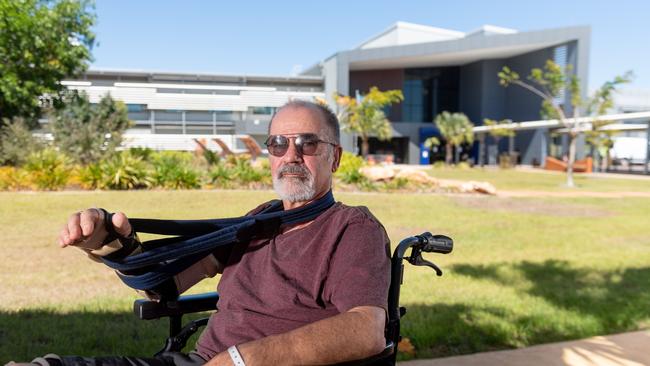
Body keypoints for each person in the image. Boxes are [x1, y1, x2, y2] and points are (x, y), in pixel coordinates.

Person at [11, 100, 391, 366]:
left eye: (307, 143)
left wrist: (245, 360)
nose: (290, 155)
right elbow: (167, 286)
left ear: (335, 157)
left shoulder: (353, 228)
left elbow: (365, 330)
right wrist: (110, 245)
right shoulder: (258, 220)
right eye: (277, 143)